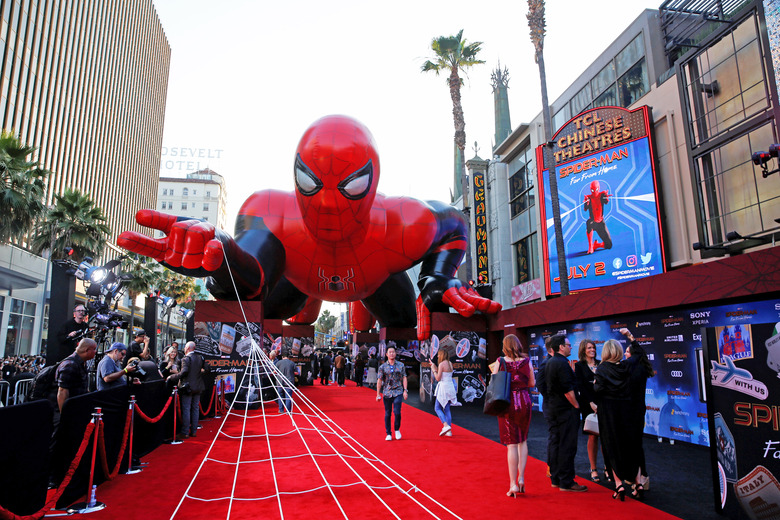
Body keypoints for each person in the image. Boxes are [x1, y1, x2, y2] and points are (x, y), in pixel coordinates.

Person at [491, 334, 535, 497]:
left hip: (507, 402)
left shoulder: (500, 361)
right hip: (524, 401)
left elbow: (494, 384)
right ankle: (522, 478)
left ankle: (513, 484)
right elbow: (532, 383)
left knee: (511, 444)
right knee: (523, 440)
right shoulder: (527, 361)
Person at [593, 338, 635, 501]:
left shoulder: (602, 368)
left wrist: (597, 383)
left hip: (608, 411)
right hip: (626, 409)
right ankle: (634, 481)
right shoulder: (627, 367)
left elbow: (598, 389)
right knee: (626, 445)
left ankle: (619, 484)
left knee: (611, 445)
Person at [545, 334, 587, 492]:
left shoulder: (551, 362)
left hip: (555, 409)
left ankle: (556, 479)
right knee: (567, 446)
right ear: (561, 347)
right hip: (565, 411)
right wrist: (576, 406)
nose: (571, 347)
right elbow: (567, 390)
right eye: (568, 345)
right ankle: (566, 481)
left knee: (558, 444)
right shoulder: (561, 364)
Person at [621, 327, 654, 497]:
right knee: (636, 445)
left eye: (627, 351)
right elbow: (640, 352)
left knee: (631, 446)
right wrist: (630, 337)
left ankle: (636, 480)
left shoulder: (626, 367)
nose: (625, 354)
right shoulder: (642, 369)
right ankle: (641, 477)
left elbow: (637, 353)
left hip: (627, 412)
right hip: (638, 411)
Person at [574, 338, 604, 483]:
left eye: (593, 347)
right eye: (589, 348)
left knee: (606, 437)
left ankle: (608, 467)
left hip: (604, 403)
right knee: (593, 436)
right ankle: (593, 469)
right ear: (583, 350)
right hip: (588, 404)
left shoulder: (601, 364)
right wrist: (591, 402)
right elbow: (580, 386)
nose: (592, 350)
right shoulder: (579, 366)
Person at [167, 341, 205, 438]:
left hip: (187, 387)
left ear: (187, 348)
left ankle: (185, 432)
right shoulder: (200, 357)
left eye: (184, 347)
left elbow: (184, 372)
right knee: (195, 409)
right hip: (198, 386)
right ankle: (194, 431)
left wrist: (172, 377)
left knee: (187, 409)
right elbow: (207, 368)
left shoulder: (186, 359)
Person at [55, 338, 98, 412]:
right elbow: (62, 391)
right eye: (94, 349)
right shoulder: (70, 365)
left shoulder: (81, 363)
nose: (95, 351)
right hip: (69, 411)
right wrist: (64, 416)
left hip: (77, 408)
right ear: (87, 350)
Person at [375, 345, 407, 441]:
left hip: (398, 391)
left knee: (397, 412)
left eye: (393, 352)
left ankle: (397, 429)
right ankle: (388, 433)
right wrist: (377, 394)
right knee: (388, 413)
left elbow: (404, 377)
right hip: (387, 392)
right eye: (390, 352)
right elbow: (379, 380)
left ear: (395, 353)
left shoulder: (401, 365)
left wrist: (405, 390)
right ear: (386, 354)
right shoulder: (382, 367)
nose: (392, 353)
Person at [535, 337, 554, 478]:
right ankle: (552, 467)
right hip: (552, 406)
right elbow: (540, 384)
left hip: (554, 405)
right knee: (555, 437)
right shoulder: (546, 363)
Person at [430, 349, 457, 437]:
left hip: (443, 388)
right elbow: (444, 374)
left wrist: (434, 370)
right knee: (447, 409)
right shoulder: (450, 363)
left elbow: (438, 378)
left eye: (438, 354)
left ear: (442, 355)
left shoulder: (442, 364)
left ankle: (445, 425)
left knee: (437, 408)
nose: (437, 356)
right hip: (450, 387)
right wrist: (434, 366)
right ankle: (449, 431)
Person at [583, 179, 612, 254]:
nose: (594, 192)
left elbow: (606, 202)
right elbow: (585, 209)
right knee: (589, 222)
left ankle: (596, 245)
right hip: (593, 222)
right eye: (592, 190)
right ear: (590, 189)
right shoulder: (588, 197)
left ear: (598, 188)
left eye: (596, 189)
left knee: (609, 245)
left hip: (601, 223)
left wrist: (606, 197)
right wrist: (586, 203)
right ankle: (590, 247)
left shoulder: (602, 195)